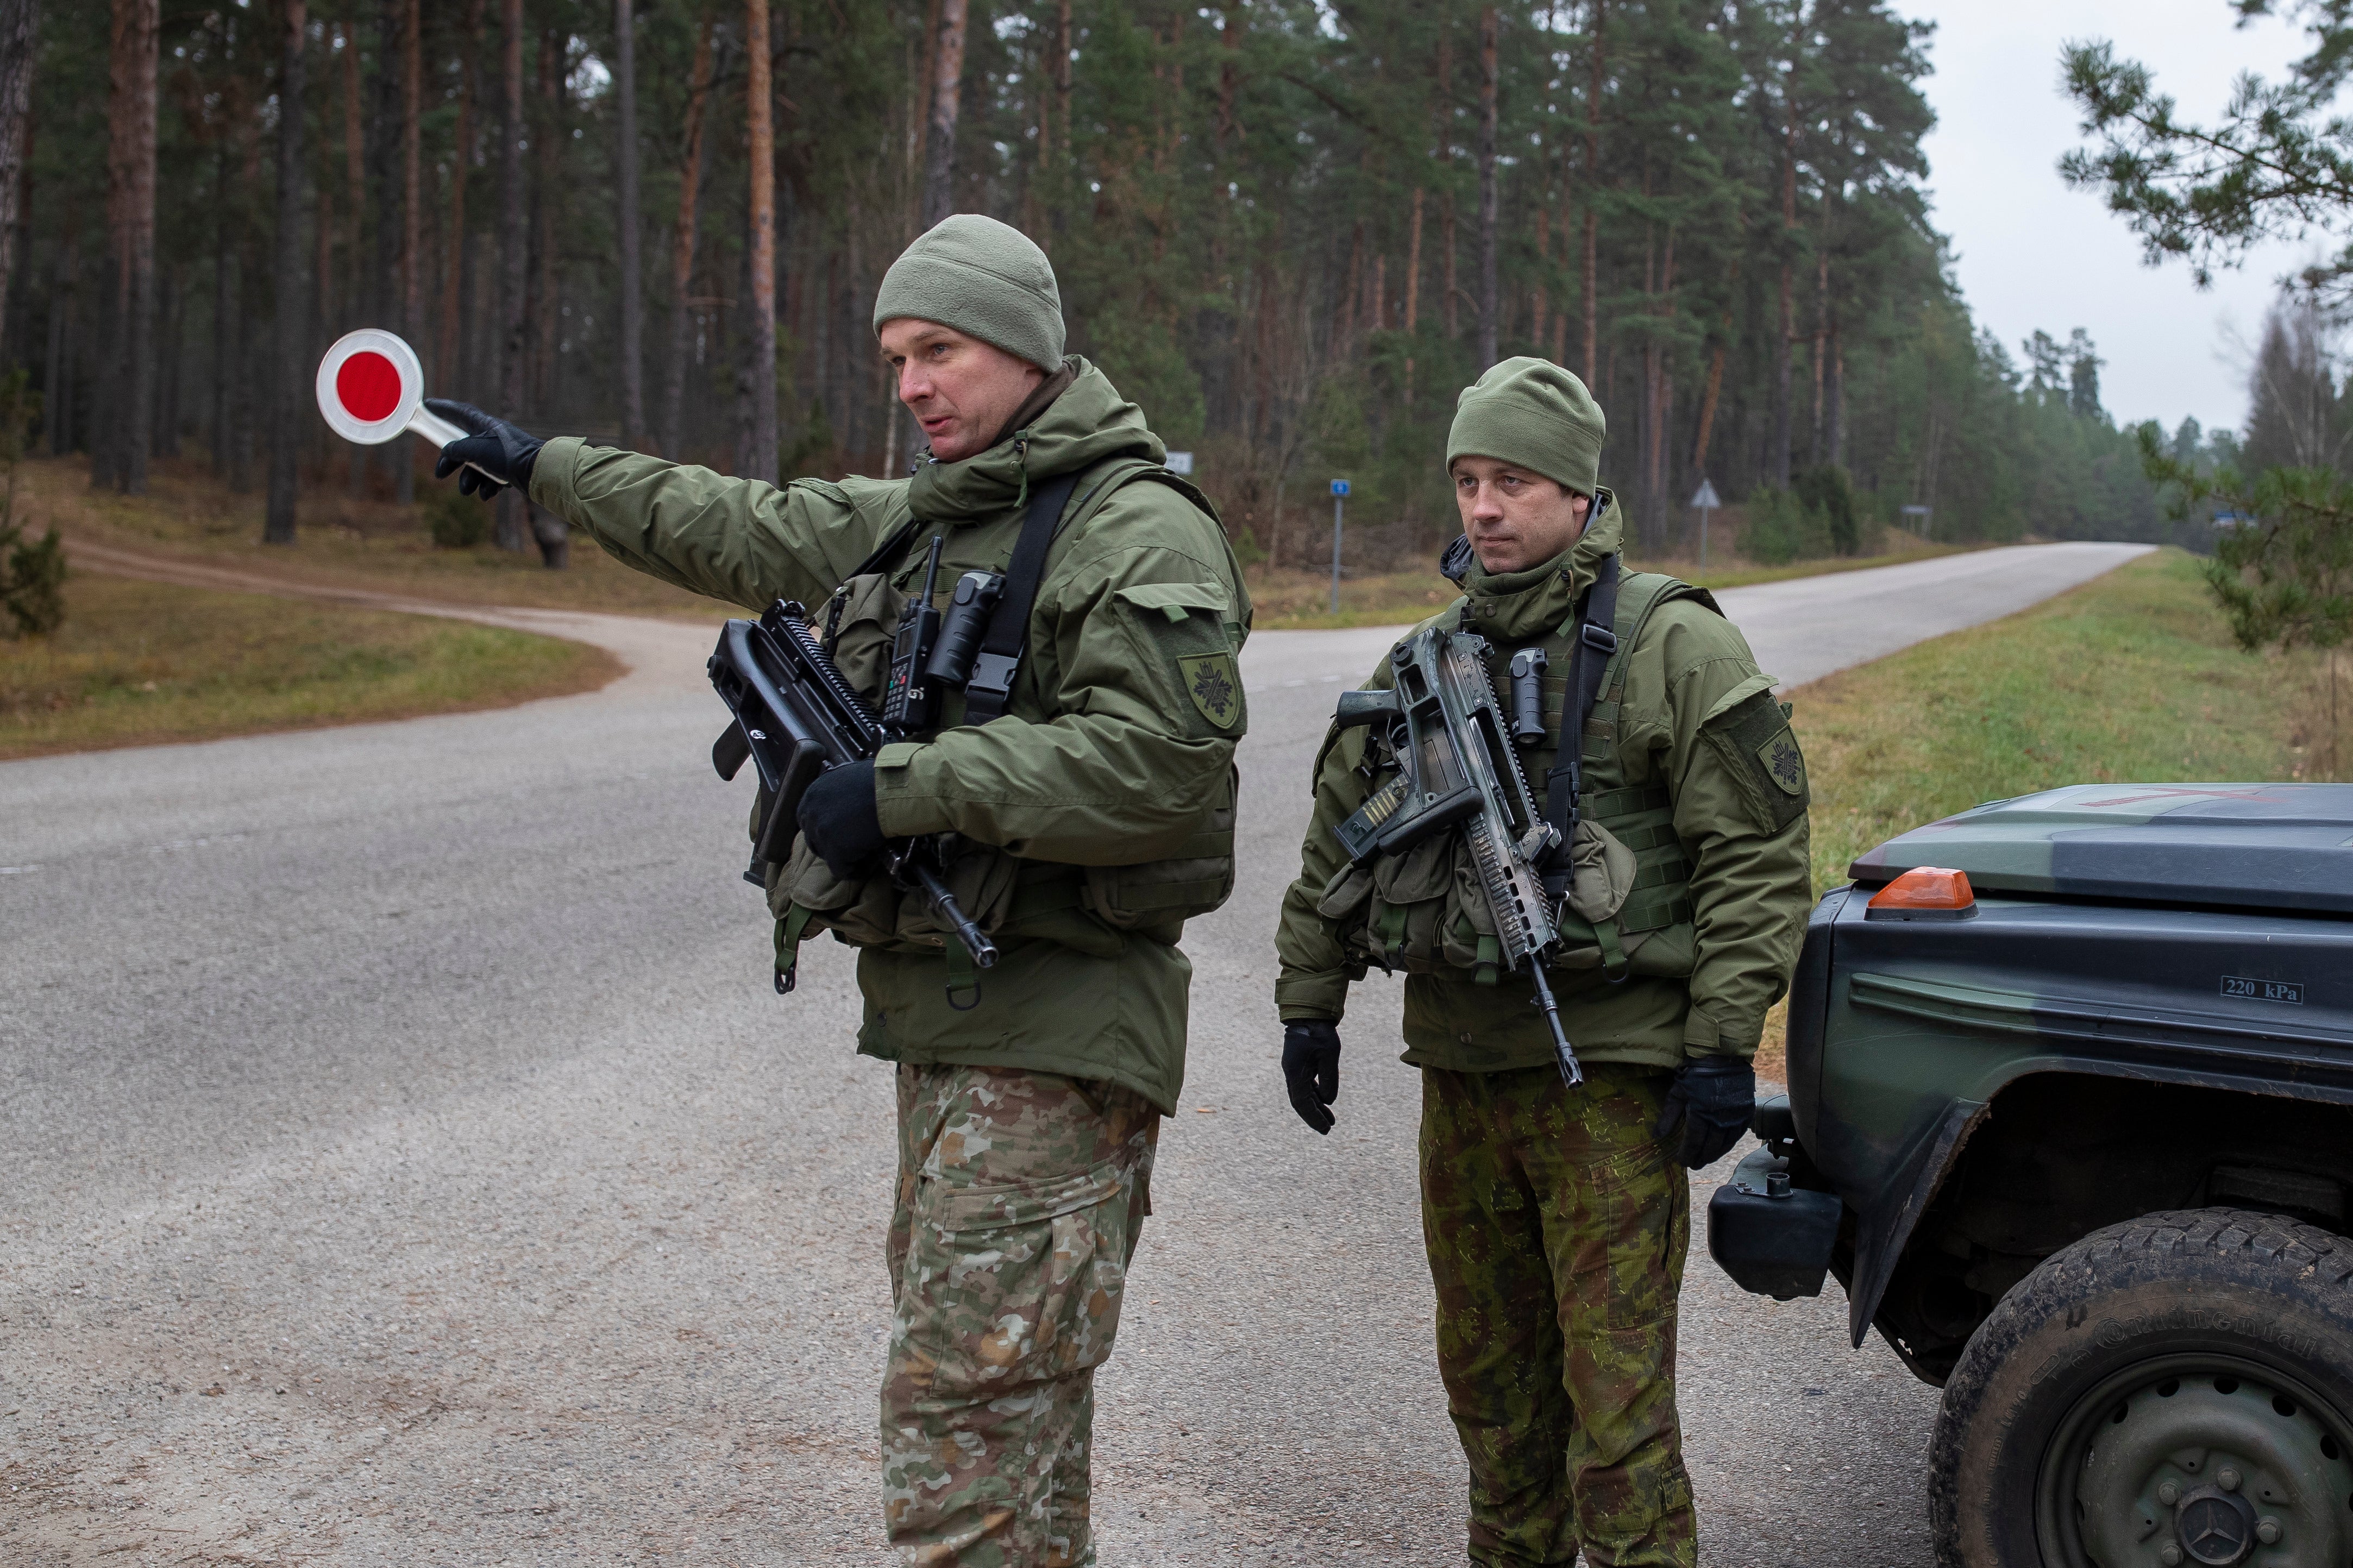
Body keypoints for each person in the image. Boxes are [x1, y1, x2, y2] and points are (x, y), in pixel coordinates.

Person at [426, 213, 1251, 1567]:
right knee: (1008, 1437)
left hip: (1054, 1036)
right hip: (958, 1038)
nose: (914, 383)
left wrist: (905, 788)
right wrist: (540, 466)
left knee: (960, 1438)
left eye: (942, 349)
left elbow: (1161, 765)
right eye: (896, 358)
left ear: (1029, 350)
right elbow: (740, 525)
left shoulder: (1132, 530)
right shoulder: (933, 516)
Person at [1272, 358, 1811, 1567]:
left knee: (1615, 1421)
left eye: (1511, 480)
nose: (1482, 508)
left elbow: (1759, 860)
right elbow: (1333, 844)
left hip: (1608, 1086)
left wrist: (1723, 1042)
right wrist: (1309, 1005)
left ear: (1578, 493)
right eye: (1467, 481)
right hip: (1461, 1084)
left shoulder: (1672, 646)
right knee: (1494, 1408)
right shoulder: (1423, 659)